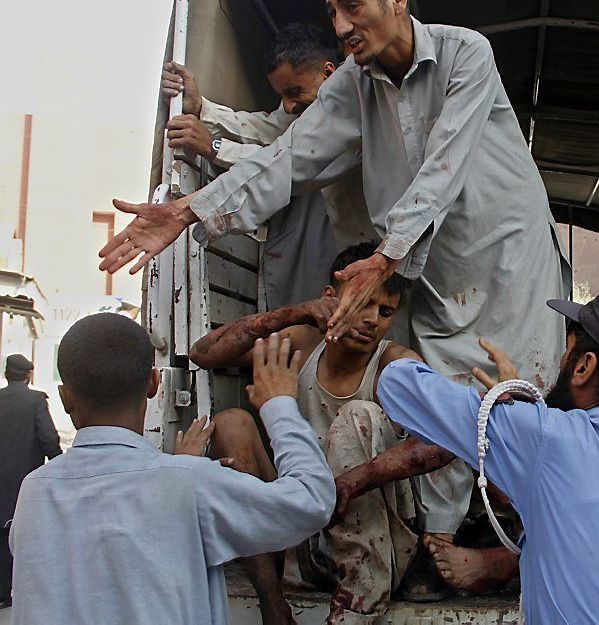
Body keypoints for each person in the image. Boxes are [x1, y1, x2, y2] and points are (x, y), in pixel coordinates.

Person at [100, 0, 571, 556]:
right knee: (442, 405)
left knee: (511, 398)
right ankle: (438, 544)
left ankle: (522, 548)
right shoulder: (352, 82)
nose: (342, 25)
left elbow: (444, 164)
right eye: (332, 11)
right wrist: (188, 211)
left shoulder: (465, 53)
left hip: (506, 261)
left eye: (353, 5)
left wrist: (387, 253)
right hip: (425, 268)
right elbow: (288, 156)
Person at [376, 287, 599, 624]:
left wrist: (389, 347)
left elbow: (398, 386)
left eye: (568, 349)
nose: (561, 359)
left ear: (583, 368)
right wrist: (524, 418)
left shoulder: (546, 438)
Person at [9, 314, 335, 625]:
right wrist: (279, 405)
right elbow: (311, 501)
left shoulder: (34, 491)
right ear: (154, 383)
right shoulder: (188, 484)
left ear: (65, 398)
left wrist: (181, 472)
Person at [189, 240, 454, 623]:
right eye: (362, 302)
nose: (372, 320)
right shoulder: (302, 343)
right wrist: (294, 313)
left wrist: (352, 482)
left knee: (357, 416)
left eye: (384, 311)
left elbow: (446, 440)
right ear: (330, 298)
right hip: (303, 540)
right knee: (231, 423)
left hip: (378, 546)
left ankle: (358, 608)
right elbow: (204, 352)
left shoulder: (394, 363)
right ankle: (271, 598)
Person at [160, 23, 374, 309]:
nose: (287, 105)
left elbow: (287, 162)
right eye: (282, 95)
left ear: (329, 72)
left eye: (294, 91)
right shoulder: (304, 111)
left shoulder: (358, 112)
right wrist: (201, 109)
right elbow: (271, 130)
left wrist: (215, 147)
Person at [0, 354, 60, 609]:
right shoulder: (35, 400)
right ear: (28, 376)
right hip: (24, 482)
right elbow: (48, 438)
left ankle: (2, 593)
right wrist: (59, 464)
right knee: (22, 535)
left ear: (6, 374)